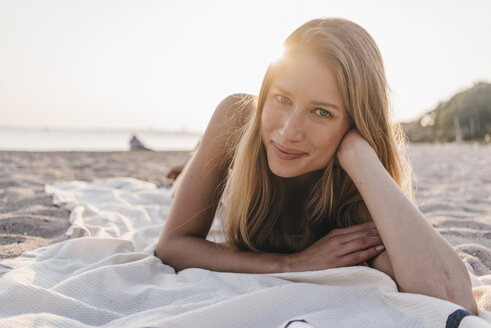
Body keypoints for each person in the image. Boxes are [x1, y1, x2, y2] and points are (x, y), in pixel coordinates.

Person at [155, 18, 477, 314]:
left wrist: (357, 154)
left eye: (322, 112)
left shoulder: (356, 185)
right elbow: (172, 245)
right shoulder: (237, 117)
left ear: (355, 123)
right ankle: (188, 165)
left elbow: (453, 300)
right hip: (231, 157)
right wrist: (291, 264)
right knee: (180, 182)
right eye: (282, 99)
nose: (287, 132)